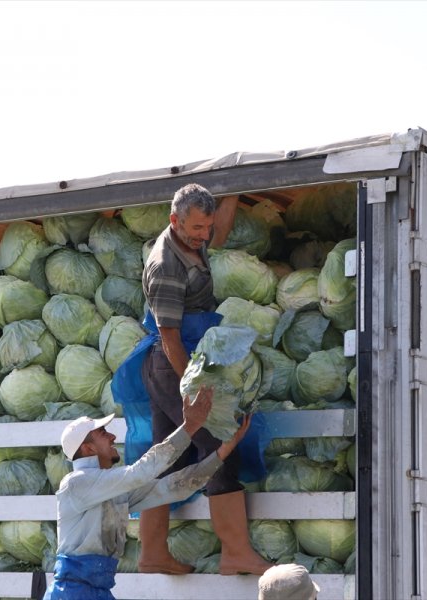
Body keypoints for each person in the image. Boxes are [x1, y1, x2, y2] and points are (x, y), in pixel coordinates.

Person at [117, 182, 272, 576]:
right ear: (175, 220)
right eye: (197, 228)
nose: (205, 235)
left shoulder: (190, 238)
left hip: (176, 362)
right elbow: (169, 335)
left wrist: (235, 188)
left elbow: (217, 232)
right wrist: (193, 387)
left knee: (168, 457)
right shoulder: (166, 266)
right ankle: (235, 551)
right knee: (218, 445)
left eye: (207, 226)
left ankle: (152, 553)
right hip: (174, 364)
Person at [43, 386, 251, 600]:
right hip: (71, 593)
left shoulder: (111, 488)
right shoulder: (76, 483)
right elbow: (139, 473)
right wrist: (189, 427)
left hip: (97, 591)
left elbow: (172, 488)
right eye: (103, 434)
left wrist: (223, 451)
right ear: (89, 449)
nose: (113, 436)